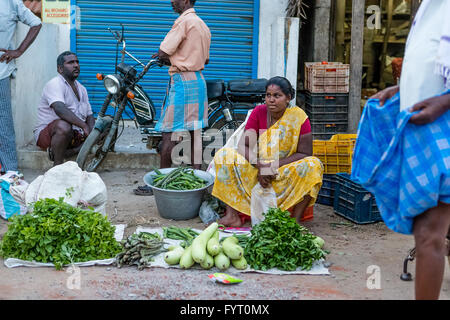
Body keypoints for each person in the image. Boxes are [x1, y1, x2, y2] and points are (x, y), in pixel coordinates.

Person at [353, 0, 450, 300]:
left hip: (439, 126)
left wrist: (443, 102)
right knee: (431, 234)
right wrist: (400, 89)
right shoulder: (430, 8)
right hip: (425, 127)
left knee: (428, 234)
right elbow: (429, 65)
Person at [211, 76, 324, 227]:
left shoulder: (299, 117)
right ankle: (232, 216)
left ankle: (295, 221)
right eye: (268, 95)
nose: (271, 100)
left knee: (314, 165)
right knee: (224, 156)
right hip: (257, 169)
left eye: (277, 96)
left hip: (283, 170)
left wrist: (272, 166)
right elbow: (243, 146)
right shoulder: (259, 112)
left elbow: (304, 154)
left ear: (288, 98)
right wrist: (260, 166)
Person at [134, 0, 211, 196]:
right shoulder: (202, 25)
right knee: (195, 132)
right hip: (198, 80)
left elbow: (164, 51)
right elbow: (205, 58)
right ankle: (197, 180)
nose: (171, 2)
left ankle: (159, 183)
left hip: (183, 81)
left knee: (168, 132)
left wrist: (163, 57)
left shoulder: (183, 22)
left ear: (185, 1)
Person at [0, 0, 42, 174]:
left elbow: (36, 23)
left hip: (0, 73)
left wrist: (19, 50)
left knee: (4, 124)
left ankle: (10, 172)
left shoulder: (10, 3)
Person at [34, 51, 95, 166]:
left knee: (108, 126)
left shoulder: (82, 89)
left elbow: (89, 115)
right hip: (50, 135)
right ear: (60, 69)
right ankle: (57, 165)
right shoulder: (54, 84)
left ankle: (72, 151)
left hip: (75, 134)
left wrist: (93, 132)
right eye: (70, 63)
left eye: (77, 62)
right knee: (63, 126)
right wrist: (84, 125)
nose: (76, 65)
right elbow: (60, 109)